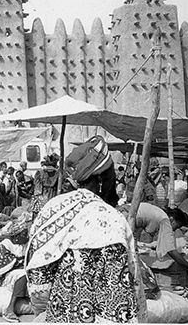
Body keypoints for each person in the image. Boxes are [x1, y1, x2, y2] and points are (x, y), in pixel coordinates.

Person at [25, 137, 145, 323]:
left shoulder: (54, 208)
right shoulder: (113, 217)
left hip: (64, 311)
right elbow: (133, 277)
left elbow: (38, 269)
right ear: (99, 179)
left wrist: (47, 305)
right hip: (110, 313)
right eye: (110, 175)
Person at [120, 199, 188, 283]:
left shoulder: (158, 212)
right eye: (177, 226)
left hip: (121, 213)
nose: (175, 229)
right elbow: (171, 251)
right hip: (123, 218)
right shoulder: (165, 220)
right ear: (172, 219)